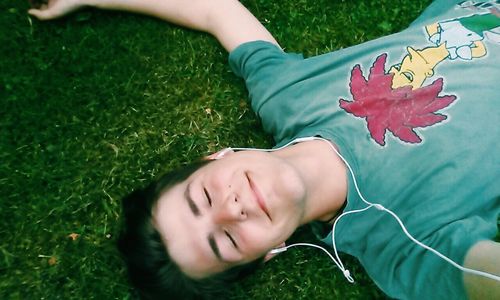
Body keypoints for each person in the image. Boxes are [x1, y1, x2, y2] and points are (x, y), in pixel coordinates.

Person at [28, 0, 500, 299]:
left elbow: (218, 11)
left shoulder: (285, 96)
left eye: (204, 198)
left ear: (217, 156)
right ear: (270, 253)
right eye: (227, 241)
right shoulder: (401, 247)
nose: (231, 210)